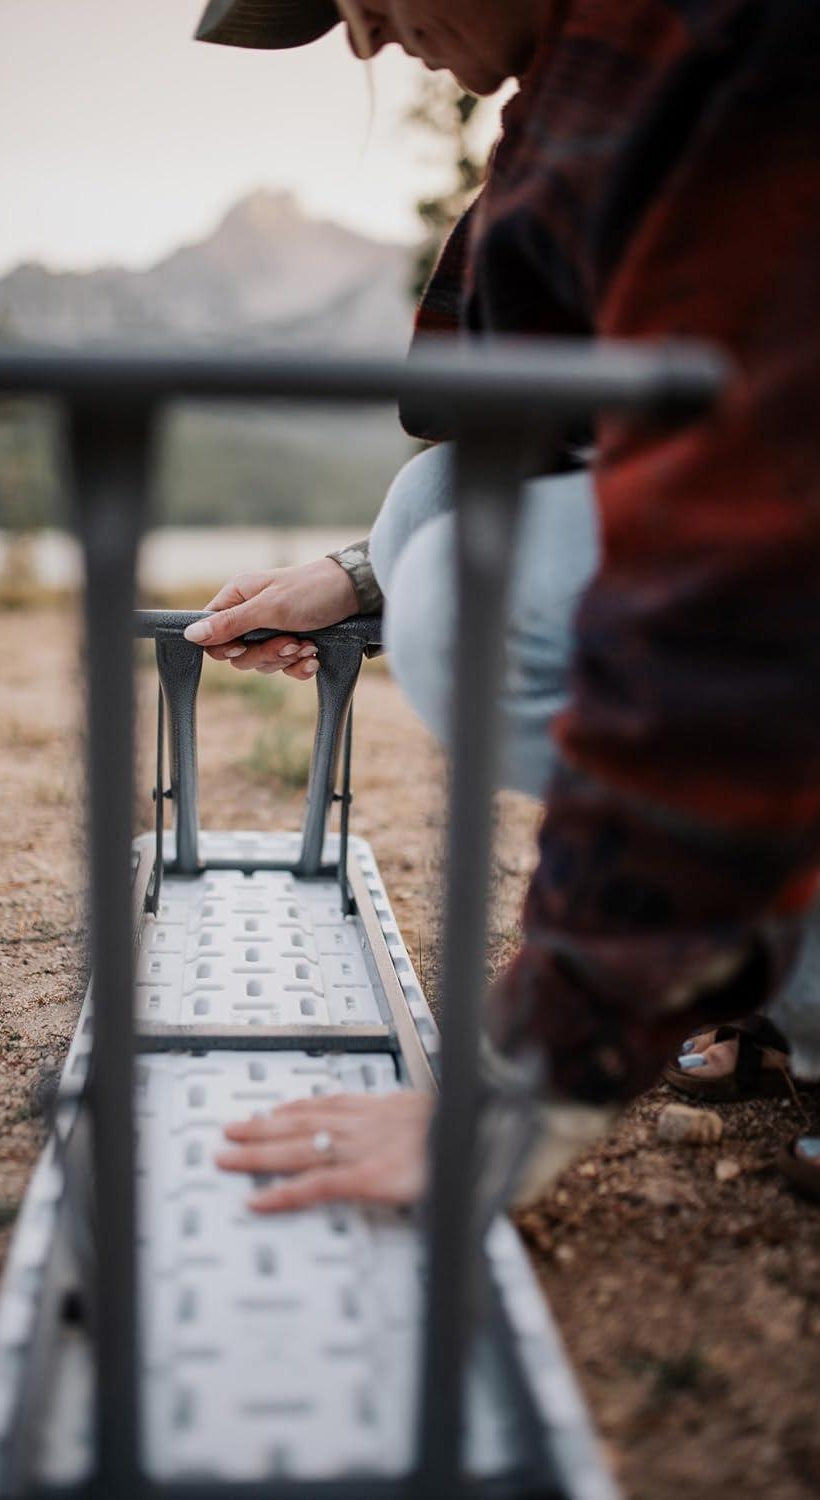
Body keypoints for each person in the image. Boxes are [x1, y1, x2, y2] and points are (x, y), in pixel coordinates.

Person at [189, 0, 820, 1210]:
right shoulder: (591, 80)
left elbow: (719, 583)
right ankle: (763, 960)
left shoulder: (718, 60)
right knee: (436, 513)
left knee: (473, 600)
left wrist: (535, 1068)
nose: (364, 41)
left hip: (773, 551)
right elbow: (565, 428)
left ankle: (764, 951)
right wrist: (360, 575)